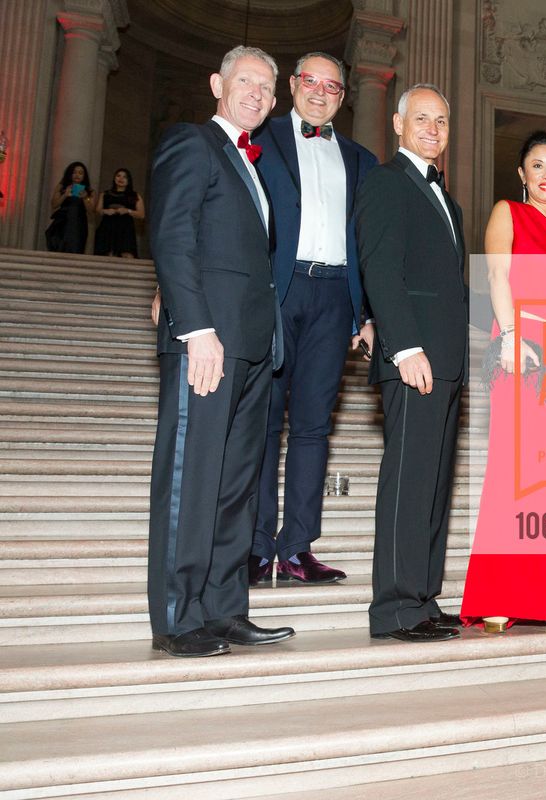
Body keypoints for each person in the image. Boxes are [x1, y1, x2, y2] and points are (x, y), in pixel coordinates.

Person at [146, 45, 294, 658]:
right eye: (245, 81)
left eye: (266, 87)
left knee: (236, 485)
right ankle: (178, 618)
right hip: (208, 341)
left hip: (253, 345)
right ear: (217, 84)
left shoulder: (253, 163)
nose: (256, 94)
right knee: (192, 477)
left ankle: (225, 609)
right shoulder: (192, 143)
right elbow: (172, 235)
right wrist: (195, 327)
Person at [248, 51, 379, 586]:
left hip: (335, 298)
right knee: (262, 423)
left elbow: (369, 242)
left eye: (332, 86)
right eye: (311, 81)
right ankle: (256, 547)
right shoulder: (261, 138)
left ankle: (298, 547)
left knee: (312, 427)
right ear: (293, 85)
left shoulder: (362, 160)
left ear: (343, 97)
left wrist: (366, 313)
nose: (320, 92)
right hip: (277, 292)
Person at [458, 131, 546, 632]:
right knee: (513, 471)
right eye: (538, 165)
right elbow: (497, 277)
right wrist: (511, 338)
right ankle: (499, 594)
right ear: (521, 173)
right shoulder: (507, 213)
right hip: (521, 346)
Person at [356, 84, 467, 642]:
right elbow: (380, 269)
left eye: (441, 121)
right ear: (398, 124)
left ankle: (423, 597)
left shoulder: (449, 199)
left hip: (446, 359)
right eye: (421, 118)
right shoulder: (385, 181)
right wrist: (403, 347)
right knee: (408, 482)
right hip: (413, 357)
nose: (432, 129)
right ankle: (395, 608)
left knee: (434, 484)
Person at [92, 168, 144, 257]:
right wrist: (105, 211)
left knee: (127, 255)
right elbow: (97, 211)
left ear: (129, 181)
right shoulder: (105, 194)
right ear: (114, 178)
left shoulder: (134, 195)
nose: (121, 179)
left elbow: (141, 215)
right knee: (107, 255)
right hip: (107, 227)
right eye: (118, 176)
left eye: (124, 177)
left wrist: (128, 211)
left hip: (126, 229)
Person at [47, 161, 92, 253]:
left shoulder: (89, 190)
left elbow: (91, 210)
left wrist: (85, 198)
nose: (77, 175)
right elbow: (54, 204)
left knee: (75, 246)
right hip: (63, 220)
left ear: (84, 176)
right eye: (74, 172)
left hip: (78, 222)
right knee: (59, 245)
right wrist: (65, 195)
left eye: (80, 173)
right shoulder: (62, 187)